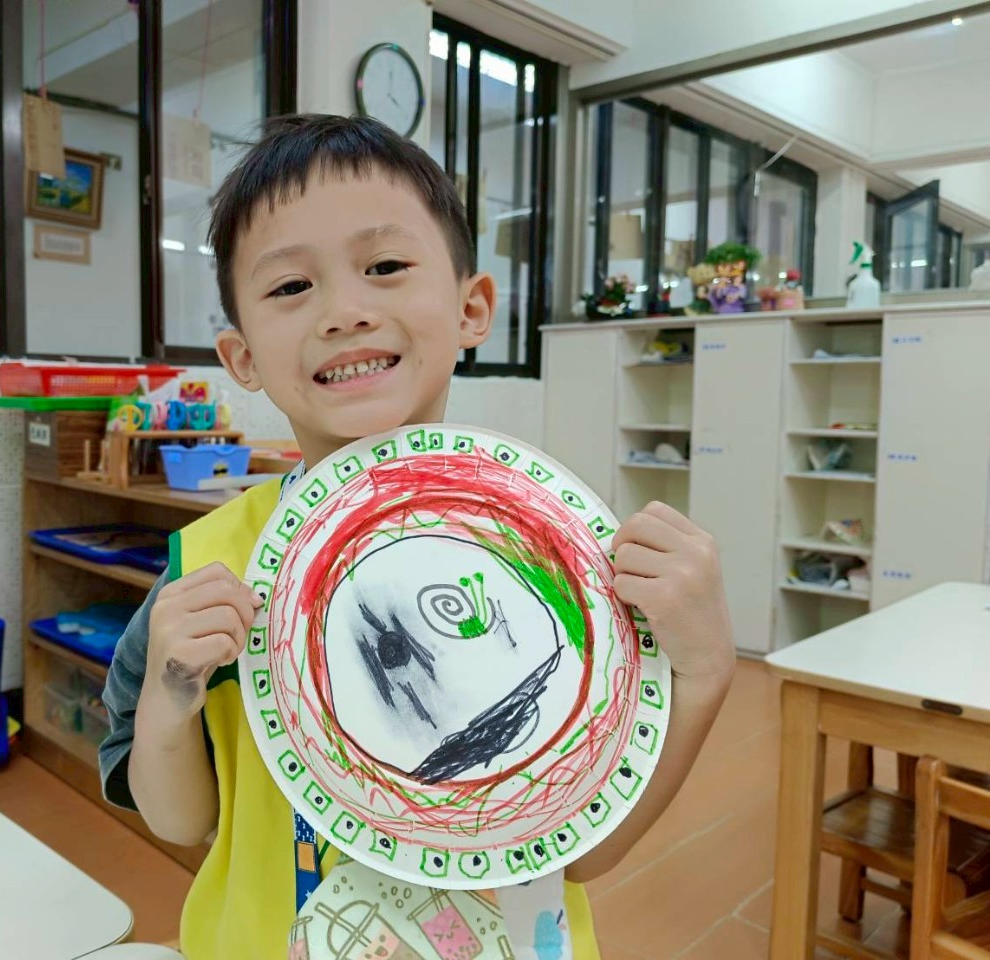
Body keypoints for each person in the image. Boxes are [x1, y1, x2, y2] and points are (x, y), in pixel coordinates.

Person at [99, 114, 736, 959]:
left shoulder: (563, 553)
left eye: (386, 267)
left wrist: (703, 671)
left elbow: (586, 852)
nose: (345, 312)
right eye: (291, 287)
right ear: (241, 355)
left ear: (472, 308)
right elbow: (181, 822)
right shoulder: (209, 572)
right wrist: (169, 696)